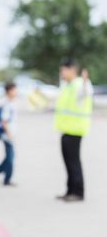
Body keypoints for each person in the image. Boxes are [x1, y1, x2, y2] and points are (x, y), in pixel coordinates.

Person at [55, 59, 93, 202]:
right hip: (66, 130)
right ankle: (70, 190)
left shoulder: (80, 84)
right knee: (68, 162)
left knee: (73, 162)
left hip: (75, 131)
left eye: (63, 70)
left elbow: (86, 92)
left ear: (72, 70)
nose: (62, 73)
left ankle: (78, 192)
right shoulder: (67, 86)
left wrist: (84, 82)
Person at [0, 82, 18, 187]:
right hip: (7, 135)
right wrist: (9, 134)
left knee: (9, 156)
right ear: (9, 91)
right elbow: (4, 121)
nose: (16, 92)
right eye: (14, 90)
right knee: (10, 157)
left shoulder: (9, 103)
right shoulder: (7, 104)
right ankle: (7, 179)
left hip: (8, 134)